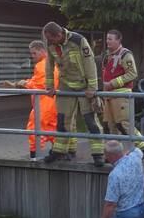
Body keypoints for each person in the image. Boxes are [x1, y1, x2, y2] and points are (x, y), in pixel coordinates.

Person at [42, 21, 105, 166]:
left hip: (84, 86)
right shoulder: (50, 44)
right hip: (66, 86)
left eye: (51, 39)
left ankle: (98, 154)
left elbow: (90, 64)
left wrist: (92, 87)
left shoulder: (78, 40)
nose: (49, 42)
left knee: (91, 121)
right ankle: (59, 151)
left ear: (59, 35)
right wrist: (50, 86)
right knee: (63, 120)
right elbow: (49, 65)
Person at [0, 40, 58, 159]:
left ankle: (35, 155)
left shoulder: (42, 66)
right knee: (51, 128)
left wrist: (20, 84)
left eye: (34, 53)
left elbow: (39, 84)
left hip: (44, 103)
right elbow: (39, 81)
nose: (32, 56)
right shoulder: (52, 63)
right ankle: (58, 152)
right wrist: (20, 83)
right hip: (53, 103)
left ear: (42, 51)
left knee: (34, 128)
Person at [100, 29, 144, 157]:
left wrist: (113, 83)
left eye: (111, 39)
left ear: (118, 40)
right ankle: (113, 153)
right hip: (108, 95)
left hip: (121, 94)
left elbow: (132, 74)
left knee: (123, 124)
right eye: (107, 39)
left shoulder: (125, 54)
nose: (107, 41)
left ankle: (143, 146)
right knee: (109, 126)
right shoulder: (107, 55)